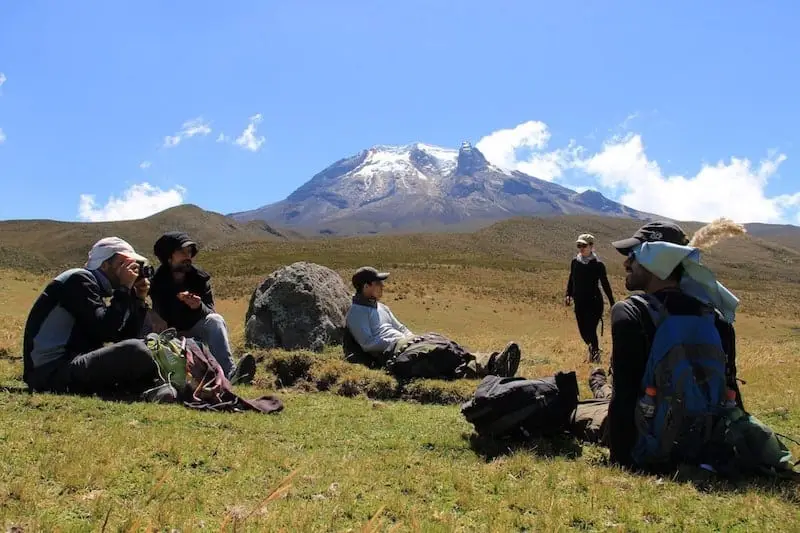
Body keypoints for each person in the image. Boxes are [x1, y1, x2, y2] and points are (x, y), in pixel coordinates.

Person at [570, 221, 741, 470]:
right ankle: (599, 384)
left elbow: (624, 400)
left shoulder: (631, 312)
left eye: (633, 256)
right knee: (606, 393)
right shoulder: (717, 317)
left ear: (657, 260)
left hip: (649, 440)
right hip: (705, 443)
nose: (626, 263)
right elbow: (730, 387)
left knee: (576, 408)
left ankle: (599, 386)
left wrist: (621, 462)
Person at [22, 237, 171, 400]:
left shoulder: (93, 287)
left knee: (148, 343)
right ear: (105, 264)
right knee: (137, 350)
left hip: (68, 366)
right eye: (124, 264)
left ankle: (151, 386)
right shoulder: (78, 279)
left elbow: (123, 337)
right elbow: (105, 331)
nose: (131, 270)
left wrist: (138, 299)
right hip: (49, 372)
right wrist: (123, 289)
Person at [344, 266, 522, 378]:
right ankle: (488, 369)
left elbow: (401, 327)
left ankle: (491, 361)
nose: (382, 286)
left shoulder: (382, 307)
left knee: (441, 340)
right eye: (377, 283)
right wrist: (401, 342)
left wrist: (414, 338)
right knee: (437, 352)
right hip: (393, 352)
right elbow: (367, 344)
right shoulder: (356, 313)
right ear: (366, 286)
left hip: (406, 343)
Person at [148, 231, 256, 385]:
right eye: (182, 252)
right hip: (166, 337)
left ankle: (231, 374)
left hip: (194, 331)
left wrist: (199, 306)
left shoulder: (199, 279)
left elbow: (210, 311)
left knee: (215, 320)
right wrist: (151, 313)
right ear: (169, 257)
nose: (188, 256)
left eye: (189, 252)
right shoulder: (154, 281)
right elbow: (136, 301)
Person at [565, 233, 615, 363]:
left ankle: (595, 356)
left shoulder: (598, 265)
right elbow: (572, 279)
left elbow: (605, 283)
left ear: (591, 246)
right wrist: (568, 294)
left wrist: (612, 302)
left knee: (591, 329)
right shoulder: (575, 262)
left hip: (594, 302)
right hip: (579, 302)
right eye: (579, 245)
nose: (581, 248)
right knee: (583, 331)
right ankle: (593, 348)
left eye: (584, 245)